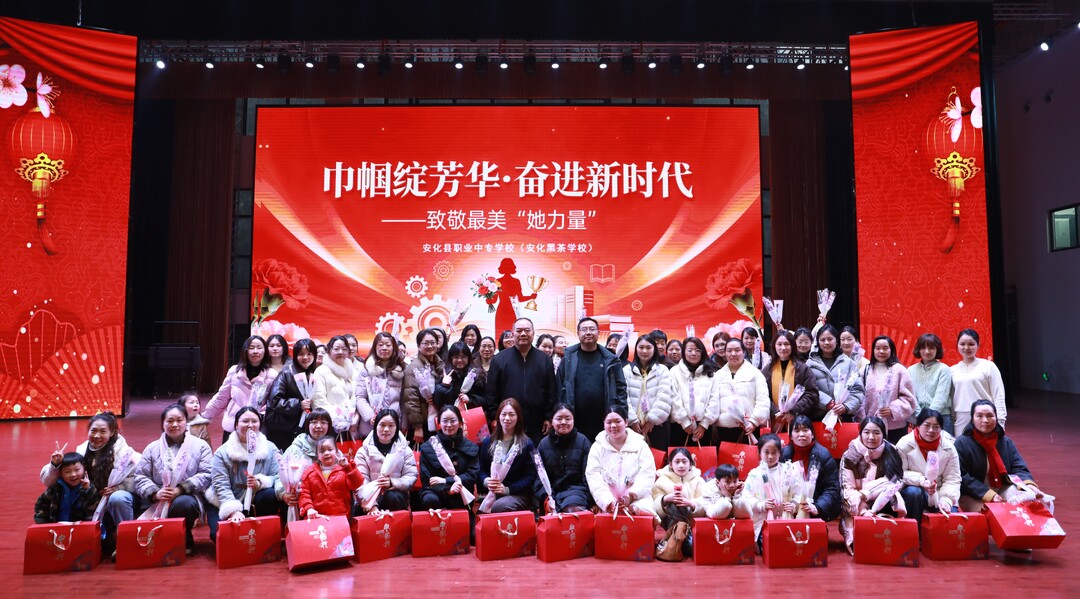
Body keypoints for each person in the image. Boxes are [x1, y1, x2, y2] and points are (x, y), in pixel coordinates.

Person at [40, 412, 139, 555]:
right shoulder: (82, 451)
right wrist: (56, 465)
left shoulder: (126, 454)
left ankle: (126, 540)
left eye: (103, 431)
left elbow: (140, 479)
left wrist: (119, 487)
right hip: (92, 501)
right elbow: (48, 481)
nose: (97, 435)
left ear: (112, 432)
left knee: (117, 498)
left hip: (121, 501)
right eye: (93, 431)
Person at [134, 403, 214, 553]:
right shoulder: (152, 448)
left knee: (184, 503)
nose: (175, 424)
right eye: (170, 421)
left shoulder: (201, 446)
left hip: (189, 495)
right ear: (162, 424)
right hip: (159, 495)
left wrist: (180, 489)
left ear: (186, 422)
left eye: (179, 420)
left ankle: (184, 538)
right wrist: (155, 493)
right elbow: (141, 476)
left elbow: (206, 473)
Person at [954, 399, 1051, 513]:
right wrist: (989, 495)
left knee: (1025, 502)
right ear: (972, 419)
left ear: (996, 418)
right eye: (979, 416)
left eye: (990, 416)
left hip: (1002, 487)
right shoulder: (962, 443)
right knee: (992, 514)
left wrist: (1029, 485)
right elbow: (962, 476)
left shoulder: (1005, 442)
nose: (985, 420)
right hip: (974, 493)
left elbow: (1018, 467)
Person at [208, 407, 281, 538]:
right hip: (224, 500)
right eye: (245, 421)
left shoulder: (270, 448)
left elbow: (277, 476)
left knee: (269, 494)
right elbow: (221, 485)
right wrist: (233, 511)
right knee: (220, 536)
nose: (250, 425)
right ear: (236, 424)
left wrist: (259, 483)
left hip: (255, 500)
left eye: (254, 421)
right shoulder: (222, 452)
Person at [839, 417, 907, 553]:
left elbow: (895, 481)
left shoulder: (892, 452)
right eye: (866, 432)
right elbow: (847, 488)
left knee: (894, 493)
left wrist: (865, 494)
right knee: (861, 544)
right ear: (860, 433)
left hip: (884, 502)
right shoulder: (849, 456)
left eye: (876, 433)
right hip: (857, 506)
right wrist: (864, 511)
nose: (871, 437)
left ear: (883, 434)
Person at [485, 317, 558, 443]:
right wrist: (494, 417)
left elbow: (551, 391)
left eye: (527, 330)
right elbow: (491, 392)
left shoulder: (544, 359)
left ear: (533, 333)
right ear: (513, 333)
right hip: (507, 422)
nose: (523, 334)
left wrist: (549, 417)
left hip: (538, 424)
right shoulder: (499, 359)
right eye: (519, 331)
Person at [556, 317, 629, 441]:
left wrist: (622, 414)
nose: (588, 332)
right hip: (574, 419)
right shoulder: (568, 359)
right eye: (584, 329)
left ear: (598, 333)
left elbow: (621, 389)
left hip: (604, 420)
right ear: (578, 333)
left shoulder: (610, 359)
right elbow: (558, 388)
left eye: (592, 329)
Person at [202, 335, 278, 444]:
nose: (255, 351)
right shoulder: (234, 371)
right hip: (233, 426)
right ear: (245, 350)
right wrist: (205, 416)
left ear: (265, 351)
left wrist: (260, 413)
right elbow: (221, 397)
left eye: (259, 347)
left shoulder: (272, 375)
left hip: (257, 428)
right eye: (251, 348)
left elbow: (272, 403)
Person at [585, 406, 657, 518]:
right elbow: (593, 476)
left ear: (626, 422)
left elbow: (647, 474)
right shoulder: (597, 447)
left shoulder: (640, 445)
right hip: (609, 501)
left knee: (642, 513)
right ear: (604, 424)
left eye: (617, 421)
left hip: (638, 500)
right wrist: (608, 501)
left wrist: (631, 496)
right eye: (609, 422)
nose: (613, 426)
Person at [896, 408, 962, 523]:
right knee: (913, 492)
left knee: (951, 520)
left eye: (936, 427)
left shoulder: (949, 447)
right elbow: (899, 474)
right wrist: (922, 481)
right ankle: (914, 530)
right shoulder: (904, 444)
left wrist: (946, 500)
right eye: (927, 425)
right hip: (915, 489)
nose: (931, 430)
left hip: (941, 491)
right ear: (918, 426)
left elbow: (953, 478)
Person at [479, 398, 538, 513]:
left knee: (499, 506)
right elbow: (481, 469)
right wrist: (486, 481)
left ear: (518, 418)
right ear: (498, 417)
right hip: (492, 493)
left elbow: (530, 476)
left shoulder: (526, 444)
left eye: (511, 414)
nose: (507, 418)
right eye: (504, 414)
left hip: (517, 494)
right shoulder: (488, 442)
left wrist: (507, 489)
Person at [779, 415, 841, 522]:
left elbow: (832, 487)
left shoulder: (823, 455)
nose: (801, 434)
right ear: (791, 436)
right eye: (797, 431)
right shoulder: (783, 454)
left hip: (814, 508)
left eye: (805, 430)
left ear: (812, 434)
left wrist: (817, 507)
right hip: (788, 509)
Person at [418, 405, 480, 511]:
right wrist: (447, 489)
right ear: (439, 423)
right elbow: (427, 480)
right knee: (429, 499)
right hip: (436, 491)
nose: (449, 425)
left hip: (461, 490)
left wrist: (446, 480)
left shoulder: (471, 447)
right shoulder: (428, 447)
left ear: (460, 423)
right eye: (445, 421)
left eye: (453, 421)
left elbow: (472, 475)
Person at [354, 409, 417, 513]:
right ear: (375, 426)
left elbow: (411, 476)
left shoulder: (405, 450)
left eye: (391, 426)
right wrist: (372, 505)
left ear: (397, 427)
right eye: (382, 425)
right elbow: (360, 482)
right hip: (369, 501)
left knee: (393, 496)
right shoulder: (363, 452)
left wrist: (392, 483)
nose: (386, 429)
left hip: (396, 499)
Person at [534, 403, 593, 513]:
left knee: (571, 508)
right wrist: (546, 499)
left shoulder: (583, 442)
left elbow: (589, 476)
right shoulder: (543, 444)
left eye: (568, 418)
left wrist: (591, 501)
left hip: (577, 493)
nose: (563, 422)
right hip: (552, 495)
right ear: (552, 421)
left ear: (573, 420)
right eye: (559, 419)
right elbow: (539, 479)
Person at [861, 335, 917, 444]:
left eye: (885, 348)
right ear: (873, 350)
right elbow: (859, 397)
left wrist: (892, 410)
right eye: (877, 348)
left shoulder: (900, 371)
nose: (881, 351)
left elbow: (909, 399)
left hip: (895, 427)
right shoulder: (864, 370)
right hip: (871, 427)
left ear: (892, 350)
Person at [265, 338, 318, 451]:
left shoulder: (317, 373)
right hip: (285, 429)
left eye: (309, 354)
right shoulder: (286, 374)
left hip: (308, 427)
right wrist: (298, 404)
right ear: (295, 356)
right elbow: (275, 400)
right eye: (301, 354)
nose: (305, 357)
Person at [951, 329, 1007, 436]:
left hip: (985, 417)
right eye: (962, 344)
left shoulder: (988, 366)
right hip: (961, 419)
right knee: (962, 446)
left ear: (978, 345)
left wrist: (1000, 422)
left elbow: (998, 395)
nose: (966, 347)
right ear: (957, 345)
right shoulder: (952, 370)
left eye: (971, 344)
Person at [275, 408, 333, 511]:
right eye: (314, 422)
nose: (318, 426)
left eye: (323, 422)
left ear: (329, 426)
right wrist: (283, 494)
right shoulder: (294, 449)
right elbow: (279, 476)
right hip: (301, 501)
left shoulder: (334, 450)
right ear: (307, 425)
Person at [741, 434, 797, 542]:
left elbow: (798, 493)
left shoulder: (788, 471)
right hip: (761, 521)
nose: (770, 456)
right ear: (759, 452)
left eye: (774, 452)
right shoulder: (754, 474)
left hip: (785, 518)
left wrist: (794, 505)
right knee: (767, 543)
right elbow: (746, 497)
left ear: (780, 453)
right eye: (766, 452)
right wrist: (761, 505)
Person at [623, 335, 674, 451]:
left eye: (648, 347)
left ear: (654, 349)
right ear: (636, 349)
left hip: (657, 425)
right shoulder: (626, 370)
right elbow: (624, 397)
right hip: (633, 426)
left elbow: (664, 397)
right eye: (641, 347)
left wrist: (652, 420)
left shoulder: (662, 370)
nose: (644, 351)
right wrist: (632, 420)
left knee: (658, 458)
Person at [715, 339, 770, 443]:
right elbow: (713, 403)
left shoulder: (755, 374)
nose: (733, 354)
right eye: (729, 350)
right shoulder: (718, 376)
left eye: (737, 350)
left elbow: (763, 401)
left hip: (749, 429)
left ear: (743, 352)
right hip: (723, 429)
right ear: (725, 353)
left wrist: (754, 422)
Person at [806, 325, 865, 422]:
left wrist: (846, 406)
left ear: (837, 340)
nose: (826, 342)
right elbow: (807, 389)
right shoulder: (810, 364)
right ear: (818, 342)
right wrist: (826, 402)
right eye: (822, 340)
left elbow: (858, 390)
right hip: (818, 416)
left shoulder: (849, 363)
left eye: (830, 339)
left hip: (844, 416)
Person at [762, 330, 819, 429]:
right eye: (779, 344)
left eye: (786, 344)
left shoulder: (802, 368)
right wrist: (775, 411)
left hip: (798, 420)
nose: (783, 348)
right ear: (774, 346)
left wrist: (793, 411)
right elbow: (762, 395)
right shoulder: (768, 370)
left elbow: (812, 394)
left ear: (792, 346)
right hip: (775, 419)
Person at [668, 337, 719, 446]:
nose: (693, 353)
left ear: (702, 352)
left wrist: (704, 424)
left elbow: (714, 399)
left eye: (697, 350)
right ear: (684, 352)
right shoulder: (674, 372)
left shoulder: (710, 373)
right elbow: (673, 398)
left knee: (703, 456)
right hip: (679, 426)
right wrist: (684, 422)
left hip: (703, 428)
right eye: (690, 350)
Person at [298, 436, 363, 519]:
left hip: (341, 518)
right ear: (317, 455)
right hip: (317, 518)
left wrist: (348, 467)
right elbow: (303, 493)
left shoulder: (345, 469)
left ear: (336, 451)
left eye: (330, 449)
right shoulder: (309, 472)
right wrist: (309, 508)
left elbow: (356, 484)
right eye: (322, 451)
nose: (326, 453)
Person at [356, 332, 407, 439]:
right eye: (380, 345)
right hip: (370, 425)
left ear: (394, 348)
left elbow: (404, 400)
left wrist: (403, 423)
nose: (384, 348)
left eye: (388, 345)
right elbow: (360, 397)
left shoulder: (401, 370)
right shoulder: (366, 369)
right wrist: (371, 416)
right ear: (375, 347)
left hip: (394, 423)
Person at [652, 447, 717, 525]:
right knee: (675, 505)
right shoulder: (662, 480)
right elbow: (654, 505)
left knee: (682, 505)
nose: (681, 465)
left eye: (684, 462)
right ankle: (677, 531)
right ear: (671, 465)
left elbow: (706, 504)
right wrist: (665, 499)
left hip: (693, 522)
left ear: (690, 464)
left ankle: (682, 531)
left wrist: (691, 504)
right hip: (669, 521)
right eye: (677, 462)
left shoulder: (698, 480)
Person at [403, 328, 446, 443]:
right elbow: (411, 399)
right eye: (425, 343)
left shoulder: (440, 364)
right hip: (424, 422)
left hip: (439, 419)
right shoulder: (413, 368)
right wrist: (418, 426)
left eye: (432, 342)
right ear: (418, 346)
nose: (430, 346)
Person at [311, 335, 359, 439]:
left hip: (352, 427)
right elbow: (318, 401)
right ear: (329, 351)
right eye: (336, 349)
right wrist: (337, 421)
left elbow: (358, 396)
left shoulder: (353, 372)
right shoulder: (321, 371)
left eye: (344, 349)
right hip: (329, 427)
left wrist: (355, 418)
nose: (340, 352)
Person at [907, 333, 954, 434]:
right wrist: (920, 417)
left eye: (931, 348)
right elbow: (911, 396)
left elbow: (941, 398)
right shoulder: (910, 370)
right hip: (918, 418)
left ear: (937, 349)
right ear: (918, 349)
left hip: (941, 418)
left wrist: (928, 418)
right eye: (923, 348)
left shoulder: (944, 369)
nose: (927, 351)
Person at [35, 453, 99, 524]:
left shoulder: (90, 487)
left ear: (84, 468)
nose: (73, 474)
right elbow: (42, 506)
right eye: (67, 472)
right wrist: (43, 524)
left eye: (77, 470)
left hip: (81, 527)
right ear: (60, 473)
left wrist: (87, 490)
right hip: (57, 527)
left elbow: (93, 510)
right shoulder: (56, 487)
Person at [489, 258, 537, 340]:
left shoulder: (500, 281)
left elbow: (494, 300)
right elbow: (520, 298)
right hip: (507, 311)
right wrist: (531, 297)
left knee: (509, 335)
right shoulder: (502, 282)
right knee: (503, 336)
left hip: (509, 311)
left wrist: (489, 300)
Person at [435, 342, 487, 418]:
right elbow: (438, 402)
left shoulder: (477, 374)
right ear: (451, 358)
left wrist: (470, 400)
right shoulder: (444, 374)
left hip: (472, 417)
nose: (459, 360)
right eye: (456, 357)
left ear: (468, 358)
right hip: (450, 418)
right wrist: (443, 386)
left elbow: (485, 400)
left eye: (463, 357)